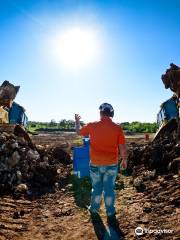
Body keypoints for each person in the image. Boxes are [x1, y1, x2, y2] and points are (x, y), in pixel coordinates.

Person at [75, 103, 127, 226]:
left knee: (97, 188)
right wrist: (124, 160)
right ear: (111, 114)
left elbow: (78, 132)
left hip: (95, 164)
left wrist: (77, 121)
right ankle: (110, 213)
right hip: (111, 164)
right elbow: (122, 147)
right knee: (109, 189)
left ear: (100, 113)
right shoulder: (117, 128)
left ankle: (94, 210)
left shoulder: (92, 125)